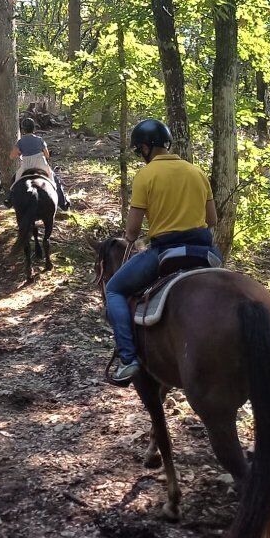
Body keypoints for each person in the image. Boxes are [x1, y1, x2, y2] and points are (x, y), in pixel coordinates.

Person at [104, 118, 217, 386]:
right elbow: (211, 220)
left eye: (139, 149)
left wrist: (135, 236)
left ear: (145, 147)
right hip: (204, 251)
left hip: (166, 251)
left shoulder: (146, 175)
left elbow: (132, 232)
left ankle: (129, 359)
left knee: (115, 290)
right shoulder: (197, 172)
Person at [10, 117, 70, 210]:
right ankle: (63, 204)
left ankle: (10, 201)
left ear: (23, 129)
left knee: (15, 181)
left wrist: (20, 153)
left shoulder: (20, 142)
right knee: (55, 180)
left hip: (27, 165)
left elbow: (12, 156)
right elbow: (47, 155)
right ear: (34, 128)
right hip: (40, 164)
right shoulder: (40, 139)